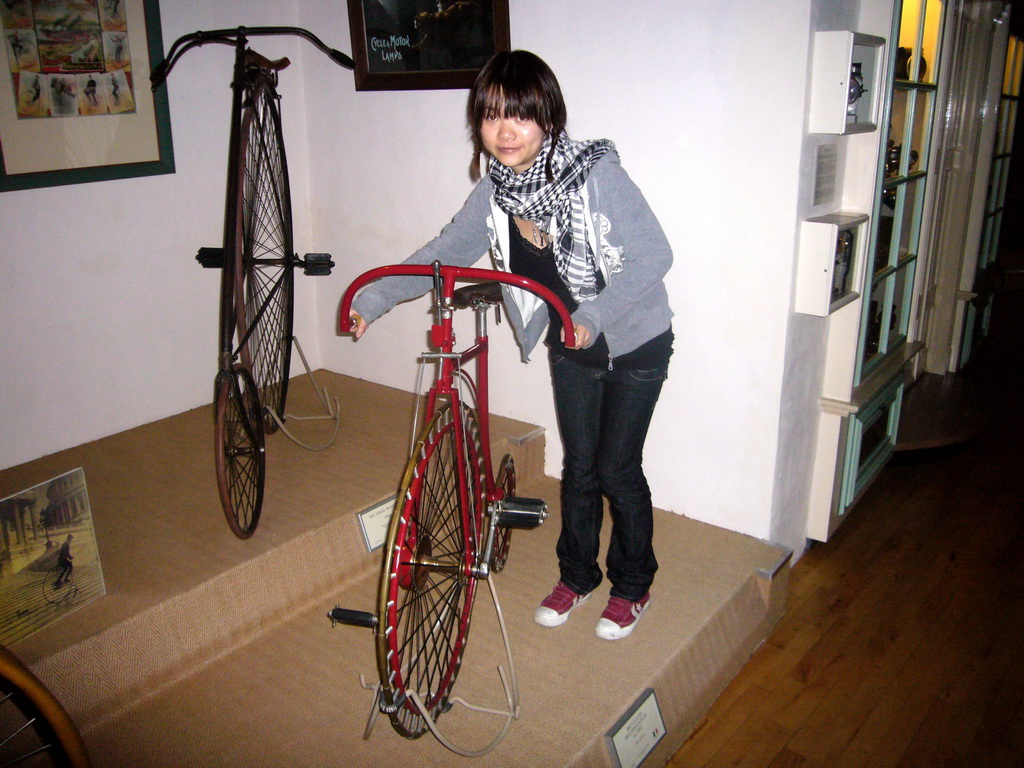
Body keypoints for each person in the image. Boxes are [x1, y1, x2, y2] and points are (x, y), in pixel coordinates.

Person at [348, 50, 673, 640]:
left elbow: (656, 254)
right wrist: (372, 298)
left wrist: (594, 315)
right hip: (572, 341)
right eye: (491, 115)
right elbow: (443, 252)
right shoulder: (496, 192)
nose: (504, 131)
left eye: (519, 116)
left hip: (635, 341)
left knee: (617, 469)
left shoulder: (597, 175)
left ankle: (632, 583)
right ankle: (577, 576)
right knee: (579, 469)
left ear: (547, 118)